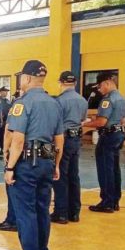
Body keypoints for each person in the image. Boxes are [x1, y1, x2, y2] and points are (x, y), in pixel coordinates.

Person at [3, 60, 64, 250]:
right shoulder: (54, 103)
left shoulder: (22, 104)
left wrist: (9, 168)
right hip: (47, 162)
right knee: (42, 210)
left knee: (26, 212)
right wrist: (56, 164)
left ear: (27, 78)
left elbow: (17, 140)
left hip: (27, 163)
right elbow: (59, 139)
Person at [83, 72, 125, 213]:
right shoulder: (121, 98)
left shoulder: (107, 100)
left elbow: (102, 122)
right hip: (118, 134)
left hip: (108, 136)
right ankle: (114, 200)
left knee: (105, 169)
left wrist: (84, 125)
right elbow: (122, 120)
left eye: (100, 86)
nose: (99, 89)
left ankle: (107, 202)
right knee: (114, 168)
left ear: (107, 83)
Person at [51, 71, 89, 223]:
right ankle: (74, 212)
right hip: (76, 139)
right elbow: (82, 119)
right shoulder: (82, 100)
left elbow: (55, 123)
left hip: (63, 139)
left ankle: (61, 212)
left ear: (60, 82)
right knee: (74, 175)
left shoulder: (59, 101)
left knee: (59, 174)